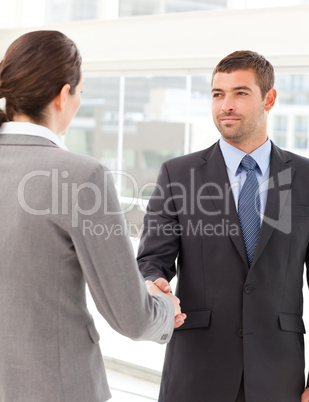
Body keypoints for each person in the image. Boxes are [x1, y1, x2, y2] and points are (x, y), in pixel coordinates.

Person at [0, 30, 183, 402]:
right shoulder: (81, 176)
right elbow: (131, 317)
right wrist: (165, 307)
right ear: (62, 95)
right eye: (80, 92)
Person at [137, 50, 309, 402]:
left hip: (279, 376)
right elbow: (152, 259)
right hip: (197, 371)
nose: (226, 105)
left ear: (270, 99)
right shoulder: (178, 174)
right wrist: (152, 283)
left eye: (240, 93)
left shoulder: (305, 177)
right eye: (218, 94)